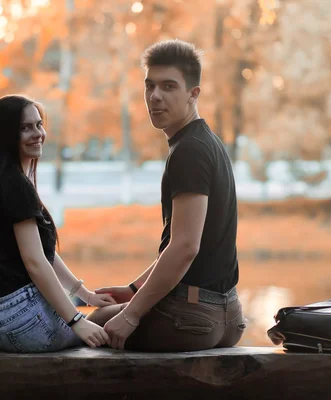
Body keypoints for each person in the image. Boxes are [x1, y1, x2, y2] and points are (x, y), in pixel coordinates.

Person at [90, 39, 247, 351]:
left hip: (192, 318)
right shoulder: (206, 142)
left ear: (193, 93)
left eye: (168, 86)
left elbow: (185, 247)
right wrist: (134, 289)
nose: (155, 96)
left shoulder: (189, 151)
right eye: (149, 86)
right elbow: (184, 247)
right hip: (226, 314)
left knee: (90, 327)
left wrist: (132, 314)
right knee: (102, 317)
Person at [0, 95, 115, 353]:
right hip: (21, 323)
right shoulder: (16, 185)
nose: (38, 133)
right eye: (25, 128)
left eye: (39, 125)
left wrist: (85, 295)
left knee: (105, 314)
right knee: (118, 317)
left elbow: (44, 253)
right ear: (5, 135)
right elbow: (35, 262)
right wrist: (77, 321)